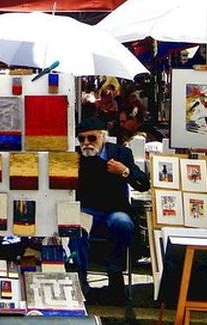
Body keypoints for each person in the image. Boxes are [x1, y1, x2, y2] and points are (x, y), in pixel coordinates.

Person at [71, 116, 150, 303]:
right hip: (87, 210)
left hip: (115, 209)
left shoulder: (121, 153)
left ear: (103, 137)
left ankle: (115, 277)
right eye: (81, 139)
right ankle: (81, 284)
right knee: (74, 229)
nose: (86, 144)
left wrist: (125, 171)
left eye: (91, 139)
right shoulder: (76, 157)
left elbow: (143, 184)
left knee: (121, 223)